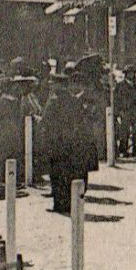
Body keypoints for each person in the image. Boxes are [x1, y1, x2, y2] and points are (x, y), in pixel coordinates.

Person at [38, 63, 94, 215]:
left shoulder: (54, 100)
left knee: (56, 174)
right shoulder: (72, 100)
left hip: (55, 142)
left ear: (57, 85)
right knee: (67, 172)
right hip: (69, 142)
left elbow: (45, 120)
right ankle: (68, 202)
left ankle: (59, 204)